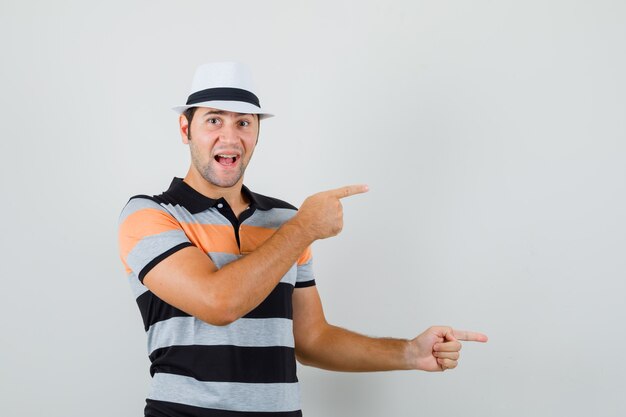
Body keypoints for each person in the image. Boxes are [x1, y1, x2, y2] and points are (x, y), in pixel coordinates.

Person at [118, 62, 488, 417]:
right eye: (213, 120)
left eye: (244, 123)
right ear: (185, 130)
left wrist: (408, 353)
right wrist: (304, 229)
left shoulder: (284, 220)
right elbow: (219, 303)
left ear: (257, 132)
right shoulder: (150, 214)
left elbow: (312, 339)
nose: (229, 137)